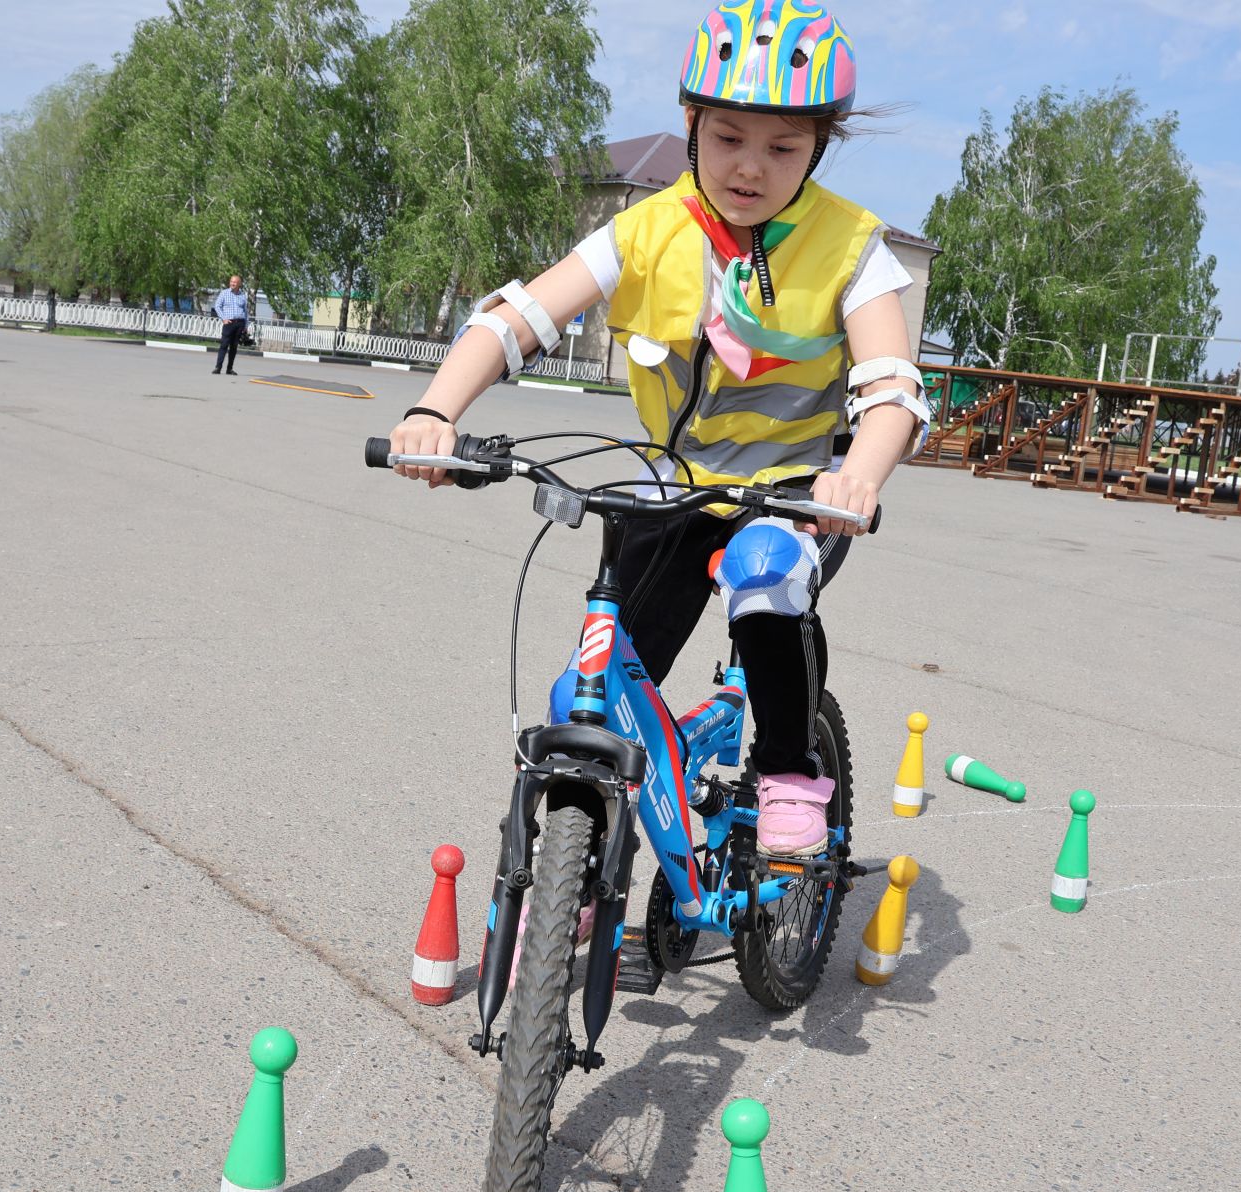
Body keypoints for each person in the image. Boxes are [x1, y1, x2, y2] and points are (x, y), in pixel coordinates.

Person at [387, 1, 927, 858]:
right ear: (691, 124)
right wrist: (434, 409)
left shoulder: (852, 248)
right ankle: (571, 873)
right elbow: (517, 319)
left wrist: (858, 471)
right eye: (728, 138)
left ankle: (788, 771)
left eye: (784, 147)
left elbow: (892, 386)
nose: (751, 167)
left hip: (791, 493)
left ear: (819, 145)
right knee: (589, 688)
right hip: (671, 482)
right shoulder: (646, 229)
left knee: (763, 579)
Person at [211, 275, 248, 375]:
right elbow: (217, 306)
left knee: (234, 347)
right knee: (224, 345)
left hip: (240, 323)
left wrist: (246, 326)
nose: (232, 283)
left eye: (235, 282)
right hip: (229, 323)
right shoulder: (224, 293)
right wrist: (223, 319)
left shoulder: (242, 295)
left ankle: (229, 369)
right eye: (231, 281)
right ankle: (218, 367)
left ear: (239, 284)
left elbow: (245, 312)